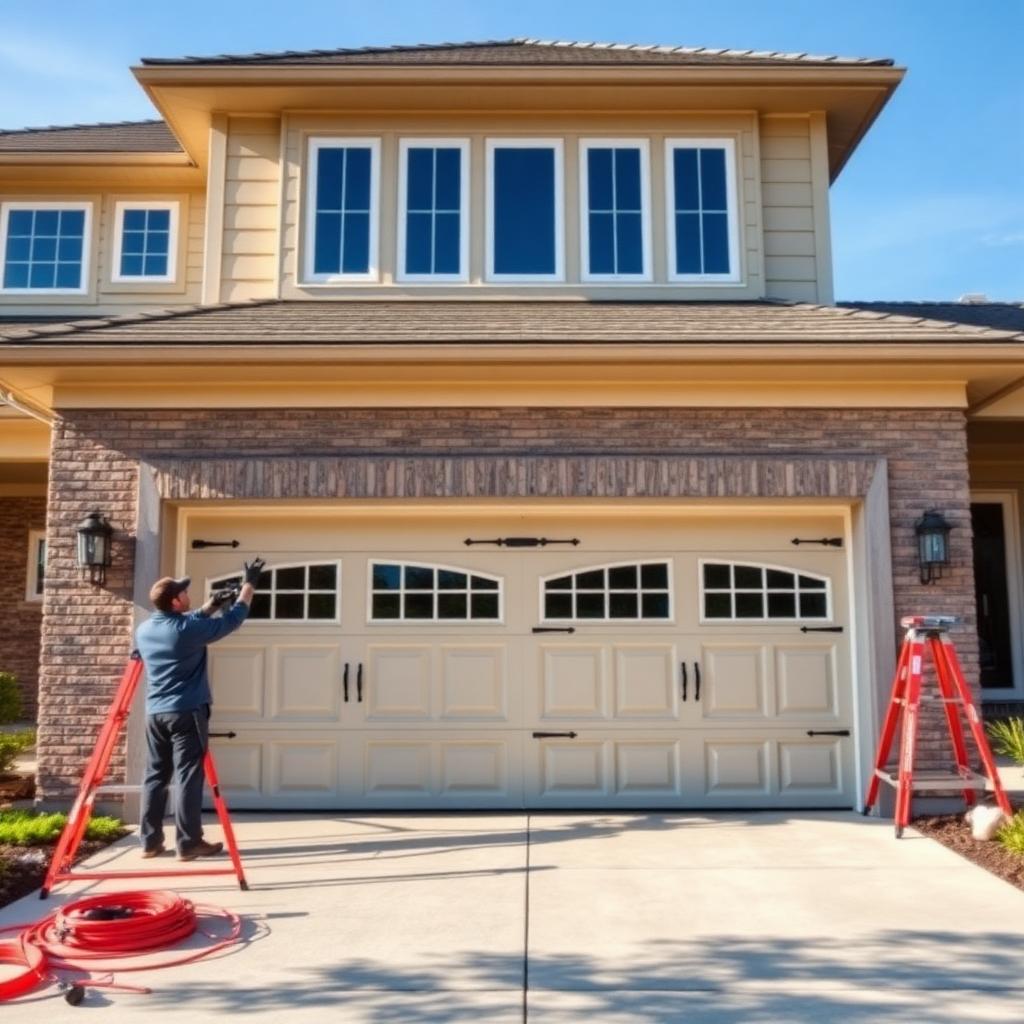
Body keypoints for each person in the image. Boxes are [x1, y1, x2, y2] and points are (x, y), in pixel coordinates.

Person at [135, 558, 264, 860]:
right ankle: (189, 842)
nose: (187, 594)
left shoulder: (145, 629)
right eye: (183, 592)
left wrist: (211, 605)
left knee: (155, 776)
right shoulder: (187, 629)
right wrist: (249, 584)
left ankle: (150, 842)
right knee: (188, 776)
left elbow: (184, 622)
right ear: (176, 601)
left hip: (155, 714)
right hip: (186, 712)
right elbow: (233, 620)